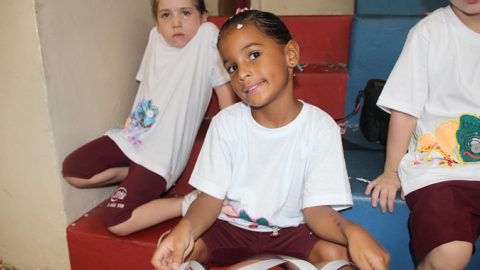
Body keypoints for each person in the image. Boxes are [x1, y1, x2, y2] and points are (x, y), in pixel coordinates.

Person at [151, 10, 389, 270]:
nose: (242, 73)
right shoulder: (225, 124)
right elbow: (209, 200)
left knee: (340, 256)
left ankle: (274, 260)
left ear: (290, 54)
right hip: (230, 228)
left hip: (294, 231)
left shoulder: (320, 127)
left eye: (253, 55)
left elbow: (316, 212)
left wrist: (353, 232)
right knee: (181, 253)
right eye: (232, 67)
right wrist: (183, 231)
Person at [62, 0, 236, 236]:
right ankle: (131, 172)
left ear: (204, 16)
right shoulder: (156, 37)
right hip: (133, 137)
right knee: (73, 170)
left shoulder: (207, 36)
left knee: (117, 221)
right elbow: (148, 86)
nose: (176, 22)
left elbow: (224, 93)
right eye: (165, 15)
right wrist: (129, 128)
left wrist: (231, 146)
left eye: (185, 13)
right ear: (156, 21)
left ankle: (189, 202)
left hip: (161, 154)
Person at [365, 1, 480, 269]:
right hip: (442, 170)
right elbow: (405, 109)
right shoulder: (429, 33)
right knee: (451, 253)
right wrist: (391, 172)